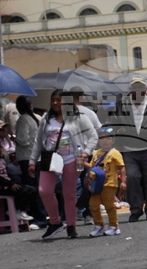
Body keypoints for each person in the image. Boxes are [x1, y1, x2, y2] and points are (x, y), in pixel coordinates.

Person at [32, 89, 98, 240]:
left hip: (72, 159)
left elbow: (93, 136)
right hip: (51, 159)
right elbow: (37, 142)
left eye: (59, 100)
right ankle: (55, 222)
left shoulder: (78, 117)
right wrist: (32, 161)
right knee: (44, 190)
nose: (55, 103)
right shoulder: (46, 119)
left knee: (69, 194)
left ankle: (71, 226)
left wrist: (86, 153)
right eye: (53, 100)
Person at [109, 77, 147, 222]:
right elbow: (115, 122)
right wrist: (114, 138)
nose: (138, 91)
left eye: (141, 88)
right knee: (132, 178)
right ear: (131, 90)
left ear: (145, 90)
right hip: (129, 149)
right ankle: (136, 210)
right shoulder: (122, 104)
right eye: (135, 88)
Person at [0, 135, 38, 221]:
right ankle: (14, 210)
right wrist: (10, 183)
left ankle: (21, 210)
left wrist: (13, 182)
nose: (0, 149)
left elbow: (6, 174)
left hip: (7, 183)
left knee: (32, 190)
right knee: (21, 191)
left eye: (1, 147)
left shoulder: (2, 159)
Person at [13, 95, 47, 228]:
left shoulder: (23, 119)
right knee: (39, 187)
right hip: (38, 157)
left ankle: (39, 218)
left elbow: (23, 140)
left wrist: (14, 140)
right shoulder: (38, 118)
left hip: (27, 158)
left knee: (32, 188)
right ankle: (42, 216)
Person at [86, 126, 125, 237]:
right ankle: (99, 225)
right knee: (93, 205)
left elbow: (121, 167)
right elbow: (93, 167)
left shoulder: (115, 153)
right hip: (96, 184)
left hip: (109, 183)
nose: (105, 141)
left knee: (109, 205)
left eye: (108, 139)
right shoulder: (96, 153)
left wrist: (123, 181)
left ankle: (114, 226)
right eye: (102, 139)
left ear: (113, 140)